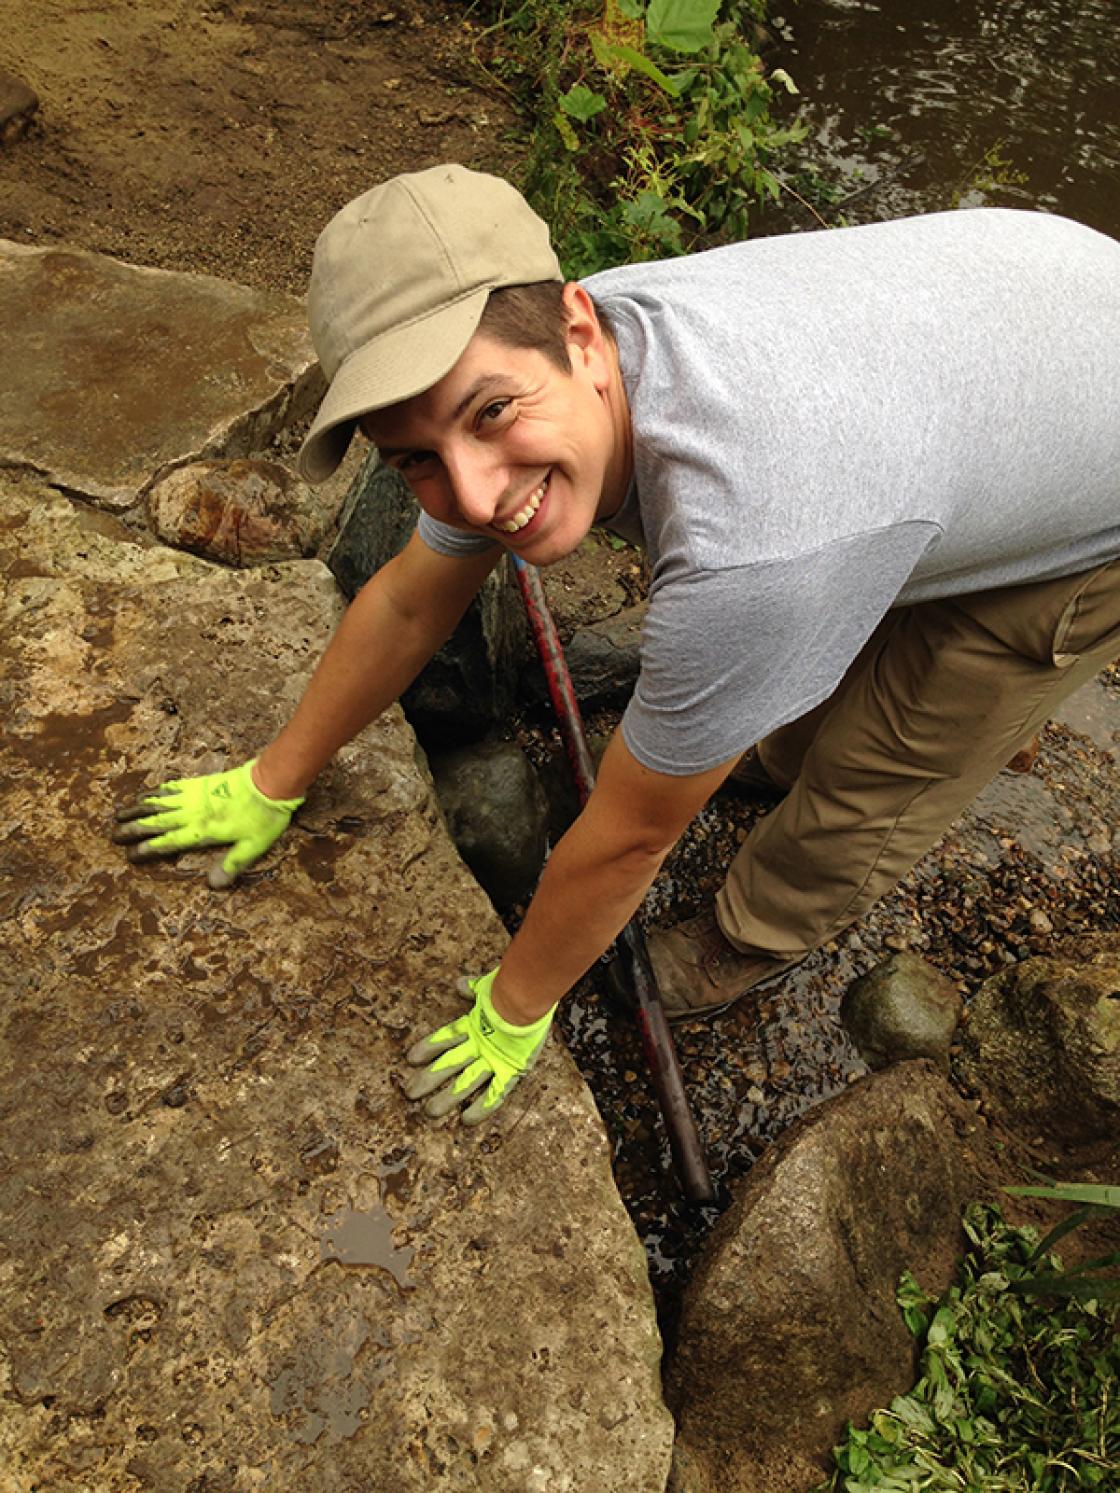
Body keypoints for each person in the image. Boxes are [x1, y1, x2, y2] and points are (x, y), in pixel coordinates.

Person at [115, 163, 1120, 1126]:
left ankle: (748, 935)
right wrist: (275, 777)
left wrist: (514, 1010)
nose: (472, 496)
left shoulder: (756, 542)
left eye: (490, 415)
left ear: (583, 335)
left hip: (1086, 468)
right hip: (1009, 332)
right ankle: (758, 750)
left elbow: (631, 837)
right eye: (416, 458)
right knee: (799, 652)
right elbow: (413, 602)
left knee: (892, 750)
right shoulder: (524, 350)